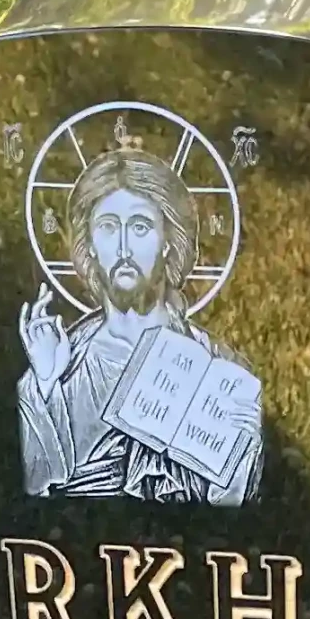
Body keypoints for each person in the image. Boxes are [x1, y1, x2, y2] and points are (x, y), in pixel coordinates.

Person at [17, 147, 261, 504]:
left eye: (141, 227)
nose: (124, 248)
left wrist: (242, 444)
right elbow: (37, 493)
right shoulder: (63, 365)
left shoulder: (217, 371)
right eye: (108, 228)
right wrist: (46, 383)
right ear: (91, 246)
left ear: (167, 242)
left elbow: (231, 507)